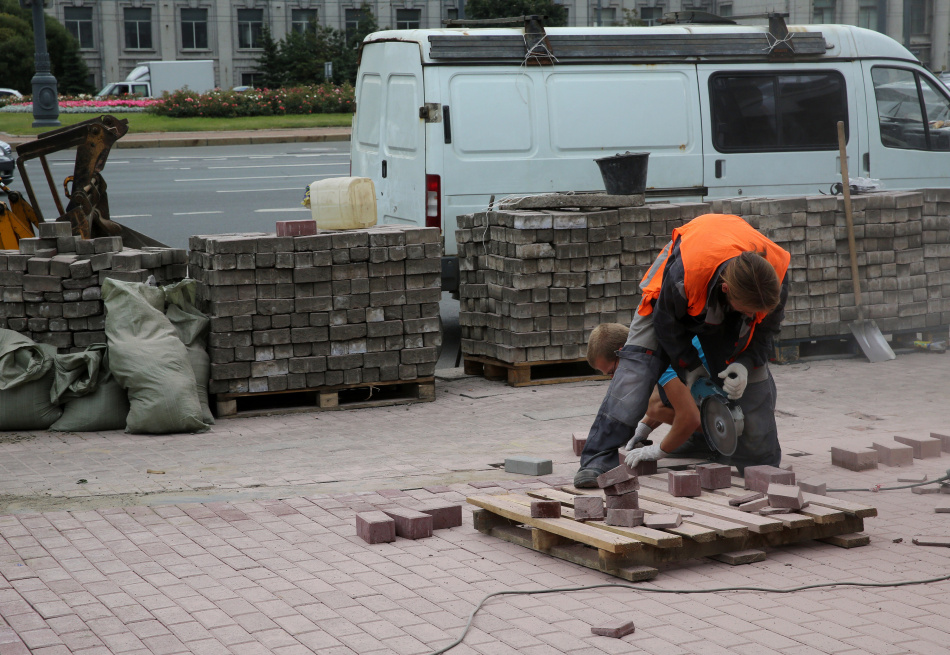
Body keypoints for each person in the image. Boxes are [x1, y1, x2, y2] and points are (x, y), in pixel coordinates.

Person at [575, 213, 790, 487]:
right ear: (726, 290)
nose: (753, 315)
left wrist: (746, 364)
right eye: (749, 310)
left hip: (721, 281)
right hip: (670, 297)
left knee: (752, 378)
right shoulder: (682, 277)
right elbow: (666, 325)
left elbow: (765, 331)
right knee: (635, 372)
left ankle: (756, 462)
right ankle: (598, 460)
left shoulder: (775, 279)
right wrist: (691, 367)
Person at [588, 325, 709, 463]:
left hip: (732, 405)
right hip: (720, 387)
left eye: (612, 372)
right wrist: (644, 428)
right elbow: (669, 398)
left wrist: (657, 451)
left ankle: (711, 438)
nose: (614, 380)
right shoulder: (657, 342)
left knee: (650, 403)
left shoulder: (661, 358)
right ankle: (704, 434)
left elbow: (690, 417)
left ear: (622, 352)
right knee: (654, 400)